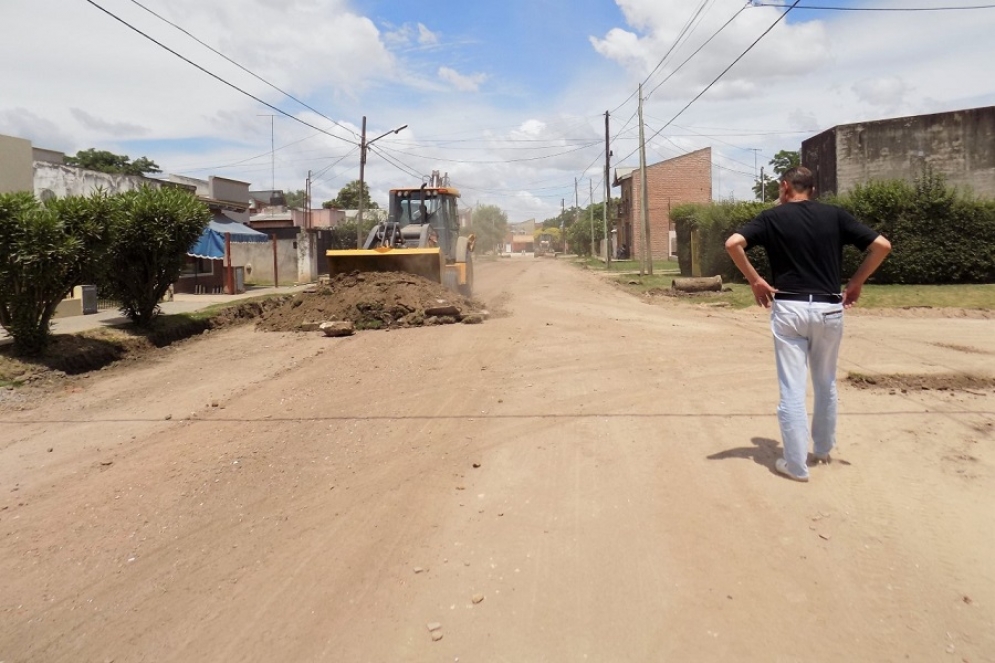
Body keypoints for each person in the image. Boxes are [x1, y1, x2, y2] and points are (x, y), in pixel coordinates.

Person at [725, 166, 891, 482]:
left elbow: (734, 243)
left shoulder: (771, 217)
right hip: (829, 307)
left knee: (792, 387)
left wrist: (756, 280)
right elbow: (882, 246)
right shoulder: (836, 215)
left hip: (789, 307)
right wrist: (856, 282)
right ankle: (823, 450)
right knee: (825, 381)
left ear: (786, 186)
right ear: (812, 190)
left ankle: (796, 466)